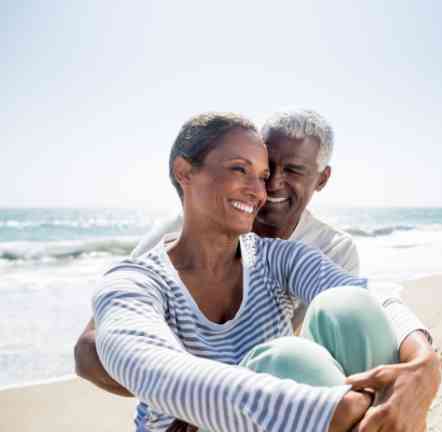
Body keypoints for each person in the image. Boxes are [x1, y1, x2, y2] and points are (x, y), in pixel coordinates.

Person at [87, 113, 441, 432]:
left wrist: (424, 360)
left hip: (295, 414)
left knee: (349, 306)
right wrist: (324, 411)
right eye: (240, 169)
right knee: (291, 361)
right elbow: (144, 363)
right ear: (185, 172)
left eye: (262, 175)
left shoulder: (279, 257)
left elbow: (366, 294)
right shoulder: (135, 279)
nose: (262, 190)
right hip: (197, 427)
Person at [75, 110, 358, 398]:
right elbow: (89, 347)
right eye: (267, 168)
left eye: (294, 170)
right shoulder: (181, 231)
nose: (271, 185)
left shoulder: (328, 250)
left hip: (271, 401)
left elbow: (323, 354)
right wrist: (184, 397)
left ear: (322, 179)